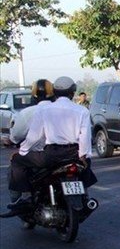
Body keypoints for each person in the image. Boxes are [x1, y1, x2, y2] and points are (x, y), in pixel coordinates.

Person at [7, 76, 95, 209]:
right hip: (74, 154)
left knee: (17, 161)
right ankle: (85, 196)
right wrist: (83, 155)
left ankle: (24, 198)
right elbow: (85, 137)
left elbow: (34, 136)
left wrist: (22, 152)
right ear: (72, 93)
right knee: (85, 167)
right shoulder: (82, 110)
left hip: (52, 155)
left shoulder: (44, 110)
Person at [7, 79, 55, 204]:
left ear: (34, 96)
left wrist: (16, 145)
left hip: (40, 155)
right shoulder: (64, 110)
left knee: (15, 162)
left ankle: (20, 200)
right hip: (67, 153)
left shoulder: (28, 113)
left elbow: (17, 136)